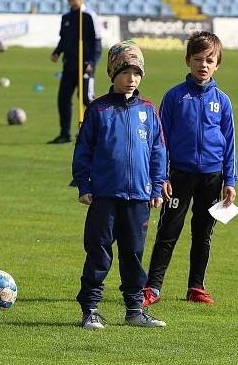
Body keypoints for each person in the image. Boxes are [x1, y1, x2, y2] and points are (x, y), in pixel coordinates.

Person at [72, 40, 167, 329]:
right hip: (104, 196)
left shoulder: (149, 111)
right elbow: (83, 149)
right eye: (125, 72)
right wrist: (83, 184)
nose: (131, 79)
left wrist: (157, 185)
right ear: (113, 73)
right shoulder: (98, 110)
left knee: (134, 254)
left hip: (139, 197)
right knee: (99, 251)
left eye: (137, 73)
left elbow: (158, 150)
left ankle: (135, 310)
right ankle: (90, 308)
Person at [142, 31, 238, 307]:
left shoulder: (223, 101)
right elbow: (161, 141)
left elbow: (230, 144)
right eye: (198, 59)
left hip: (212, 177)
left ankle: (196, 287)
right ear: (188, 61)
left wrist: (229, 180)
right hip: (179, 176)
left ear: (217, 64)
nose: (203, 65)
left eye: (210, 60)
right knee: (168, 232)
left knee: (203, 233)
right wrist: (161, 176)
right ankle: (153, 287)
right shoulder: (174, 97)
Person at [49, 0, 102, 144]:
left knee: (86, 98)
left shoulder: (89, 16)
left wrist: (92, 62)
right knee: (63, 98)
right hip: (69, 65)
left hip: (85, 65)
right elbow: (64, 40)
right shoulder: (66, 18)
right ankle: (65, 134)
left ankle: (98, 130)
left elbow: (97, 43)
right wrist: (57, 52)